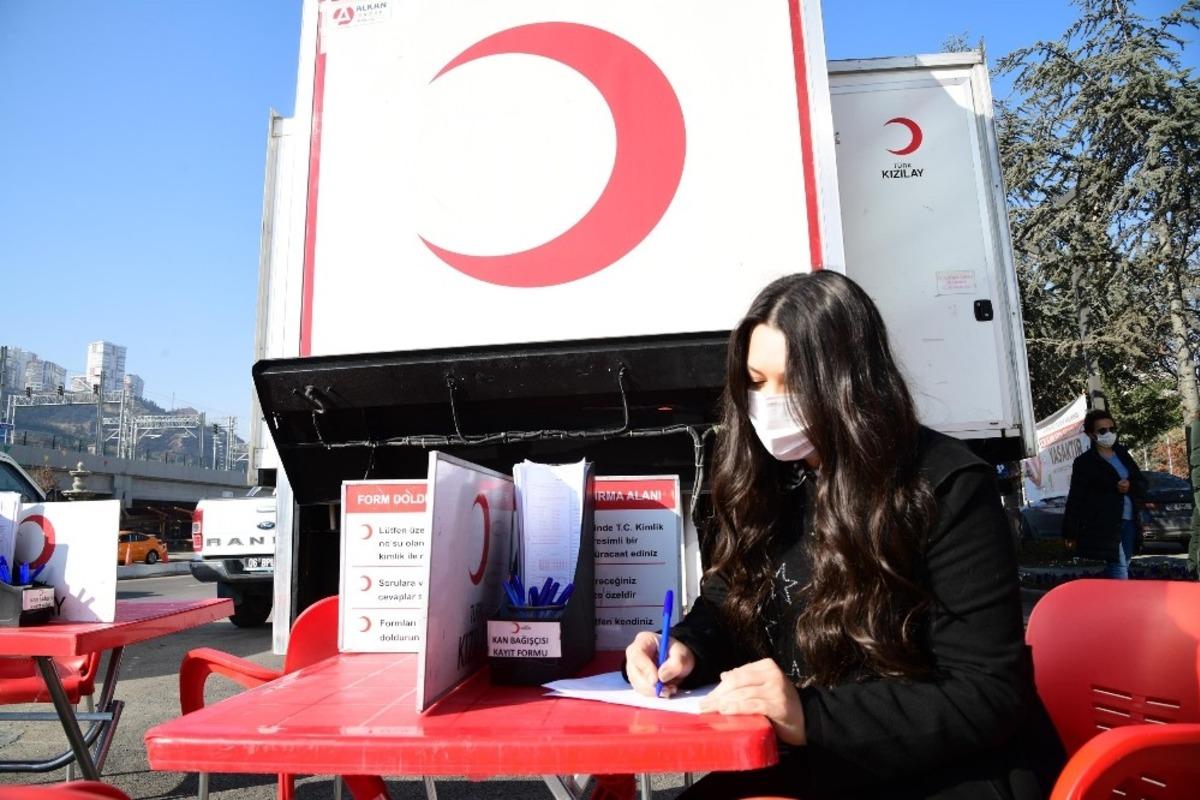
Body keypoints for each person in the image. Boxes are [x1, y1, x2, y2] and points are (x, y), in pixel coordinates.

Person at [624, 271, 1063, 799]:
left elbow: (985, 693)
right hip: (817, 761)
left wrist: (808, 715)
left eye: (793, 382)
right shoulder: (774, 485)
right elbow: (729, 601)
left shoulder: (943, 486)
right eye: (757, 382)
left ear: (849, 380)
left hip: (946, 772)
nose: (768, 402)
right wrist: (684, 648)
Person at [1062, 410, 1147, 580]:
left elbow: (1142, 483)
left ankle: (1112, 600)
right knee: (1119, 565)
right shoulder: (1085, 463)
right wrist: (1070, 531)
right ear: (1091, 434)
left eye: (1112, 429)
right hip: (1105, 524)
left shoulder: (1123, 454)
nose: (1108, 434)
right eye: (1102, 431)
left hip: (1130, 520)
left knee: (1124, 562)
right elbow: (1076, 497)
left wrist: (1130, 486)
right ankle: (1122, 603)